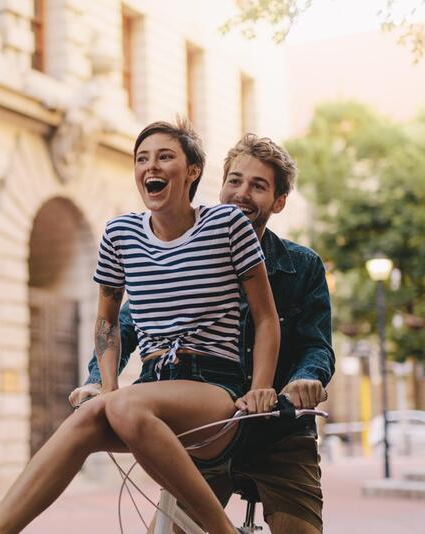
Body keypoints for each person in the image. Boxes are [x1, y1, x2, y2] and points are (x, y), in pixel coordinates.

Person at [0, 120, 281, 534]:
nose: (150, 166)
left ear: (192, 171)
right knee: (85, 420)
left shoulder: (228, 225)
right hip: (153, 385)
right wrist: (105, 384)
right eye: (142, 158)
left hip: (215, 388)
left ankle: (222, 532)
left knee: (123, 404)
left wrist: (260, 388)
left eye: (164, 156)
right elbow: (107, 320)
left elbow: (265, 317)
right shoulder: (120, 234)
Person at [72, 133, 334, 534]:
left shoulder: (303, 266)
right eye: (235, 181)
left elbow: (316, 344)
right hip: (207, 429)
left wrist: (305, 378)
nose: (242, 193)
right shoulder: (192, 248)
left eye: (258, 186)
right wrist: (96, 381)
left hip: (277, 431)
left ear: (279, 202)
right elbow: (125, 323)